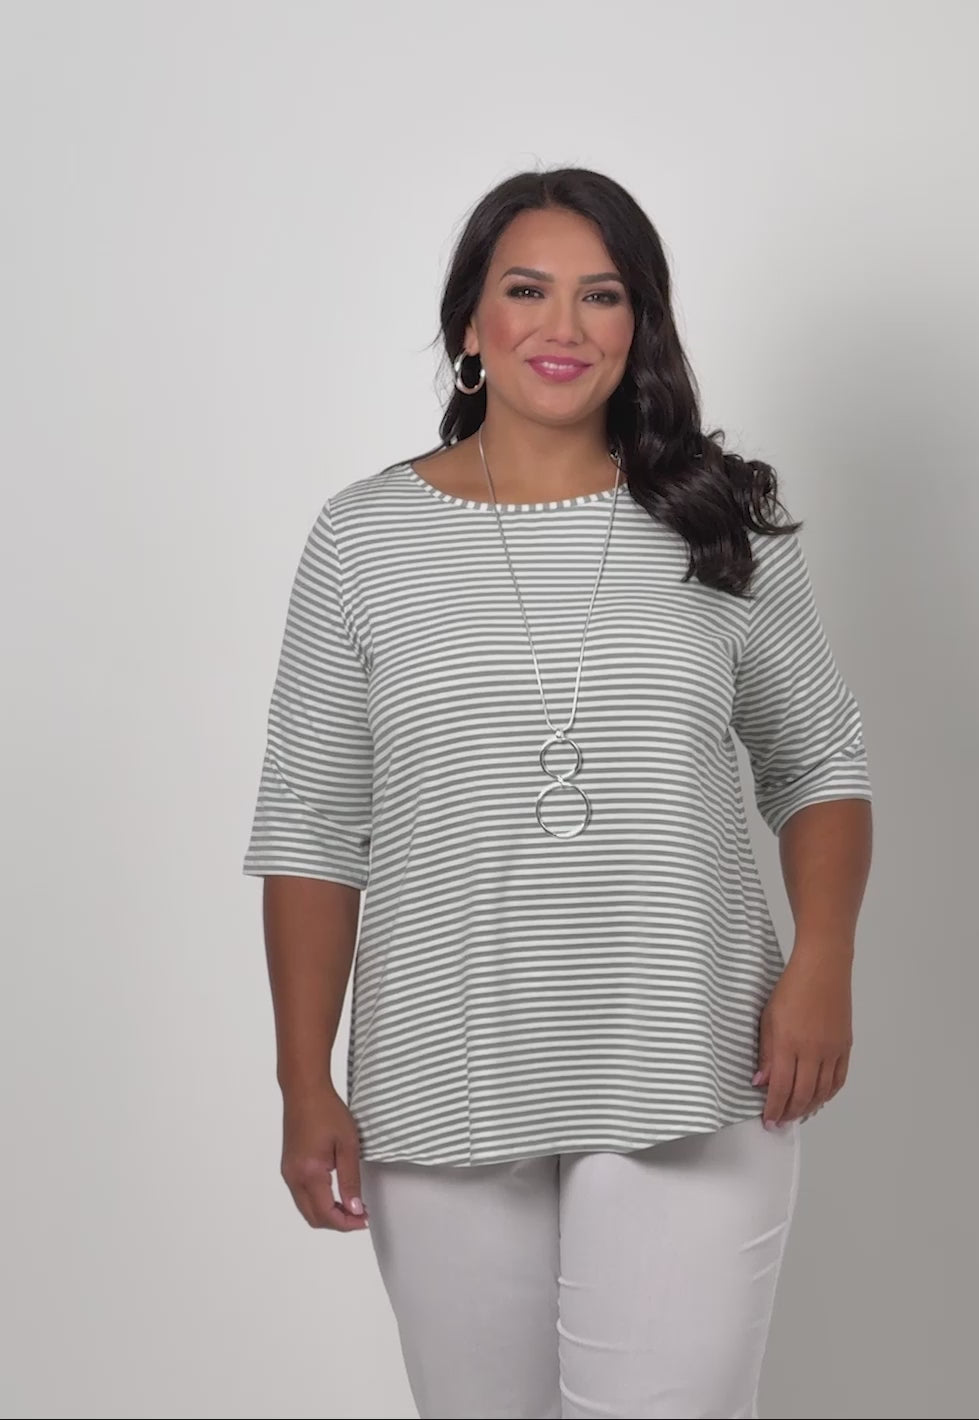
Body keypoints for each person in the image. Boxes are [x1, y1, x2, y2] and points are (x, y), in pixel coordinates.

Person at [242, 166, 874, 1420]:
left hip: (693, 1054)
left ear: (640, 324)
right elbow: (311, 821)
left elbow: (819, 761)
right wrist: (303, 1081)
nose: (564, 326)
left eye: (602, 295)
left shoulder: (722, 520)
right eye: (526, 290)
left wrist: (821, 962)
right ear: (470, 323)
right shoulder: (361, 538)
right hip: (442, 1066)